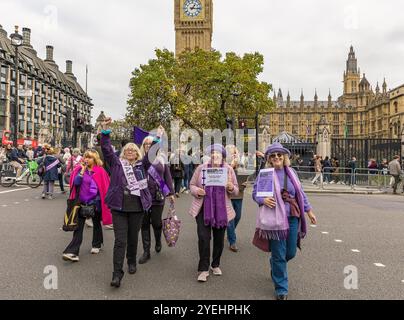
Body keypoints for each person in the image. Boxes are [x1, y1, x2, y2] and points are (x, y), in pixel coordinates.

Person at [252, 143, 317, 300]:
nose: (276, 158)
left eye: (279, 155)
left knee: (290, 252)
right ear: (269, 159)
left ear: (285, 157)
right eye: (273, 156)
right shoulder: (265, 173)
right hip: (275, 218)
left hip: (293, 216)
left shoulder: (291, 172)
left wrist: (309, 211)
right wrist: (263, 199)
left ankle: (275, 264)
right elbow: (255, 193)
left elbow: (300, 193)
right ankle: (281, 288)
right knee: (280, 254)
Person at [100, 117, 156, 288]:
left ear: (137, 153)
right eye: (127, 150)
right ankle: (117, 274)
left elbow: (151, 154)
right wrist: (105, 131)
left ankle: (131, 260)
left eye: (133, 150)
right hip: (119, 207)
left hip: (137, 208)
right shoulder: (117, 164)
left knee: (132, 238)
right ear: (123, 153)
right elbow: (106, 149)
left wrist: (157, 139)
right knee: (120, 241)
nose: (130, 151)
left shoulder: (142, 165)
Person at [189, 144, 239, 282]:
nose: (215, 155)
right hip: (203, 208)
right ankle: (203, 269)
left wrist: (230, 187)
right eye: (212, 153)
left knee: (219, 240)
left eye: (218, 153)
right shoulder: (201, 168)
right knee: (203, 238)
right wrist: (197, 191)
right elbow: (192, 185)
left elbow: (236, 190)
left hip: (221, 210)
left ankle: (215, 264)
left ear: (223, 156)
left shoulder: (228, 170)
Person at [63, 149, 111, 263]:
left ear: (95, 159)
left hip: (96, 203)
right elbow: (76, 183)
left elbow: (104, 187)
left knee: (96, 223)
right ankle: (73, 252)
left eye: (89, 157)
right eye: (85, 157)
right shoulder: (79, 169)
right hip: (81, 202)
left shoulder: (100, 171)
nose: (87, 159)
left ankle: (97, 244)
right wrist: (82, 170)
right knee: (78, 227)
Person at [138, 135, 175, 265]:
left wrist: (170, 192)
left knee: (156, 222)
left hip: (158, 194)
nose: (148, 145)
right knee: (144, 223)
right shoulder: (141, 159)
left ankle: (158, 240)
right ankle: (146, 251)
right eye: (146, 144)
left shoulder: (162, 159)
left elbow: (167, 176)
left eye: (150, 144)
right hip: (143, 195)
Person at [226, 145, 247, 253]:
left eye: (234, 154)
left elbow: (246, 177)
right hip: (227, 196)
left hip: (239, 195)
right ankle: (232, 241)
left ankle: (230, 232)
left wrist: (246, 183)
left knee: (237, 216)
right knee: (230, 218)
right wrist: (230, 166)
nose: (233, 156)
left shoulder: (241, 166)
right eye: (231, 154)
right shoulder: (223, 167)